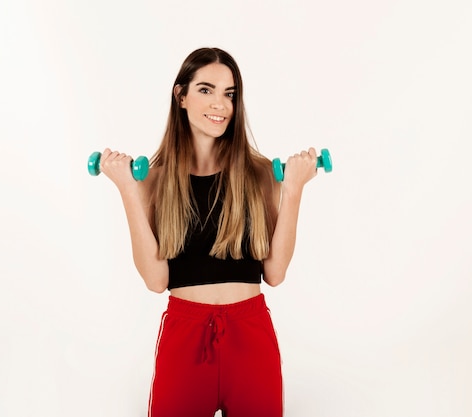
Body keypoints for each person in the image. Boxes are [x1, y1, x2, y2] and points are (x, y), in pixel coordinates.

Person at [99, 47, 318, 417]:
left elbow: (275, 273)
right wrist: (127, 190)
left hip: (251, 335)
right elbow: (156, 280)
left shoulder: (261, 173)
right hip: (185, 338)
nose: (220, 104)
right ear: (180, 95)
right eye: (206, 89)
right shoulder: (153, 180)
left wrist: (294, 188)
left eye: (229, 94)